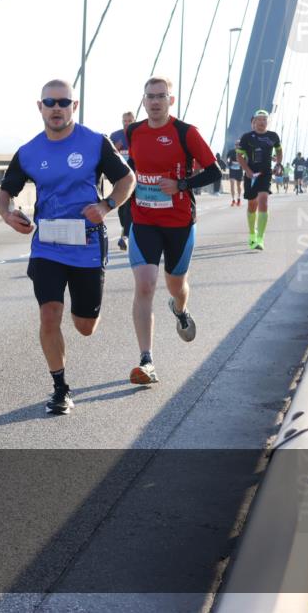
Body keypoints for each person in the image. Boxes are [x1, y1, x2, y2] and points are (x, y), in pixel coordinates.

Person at [0, 79, 134, 415]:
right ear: (40, 106)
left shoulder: (95, 143)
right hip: (47, 244)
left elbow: (126, 179)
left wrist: (105, 206)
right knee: (49, 314)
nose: (56, 108)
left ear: (74, 106)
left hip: (86, 243)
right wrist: (7, 213)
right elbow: (6, 193)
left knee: (85, 326)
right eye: (50, 102)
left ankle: (86, 313)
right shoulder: (28, 151)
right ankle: (60, 388)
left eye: (63, 102)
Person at [125, 77, 221, 385]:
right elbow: (128, 170)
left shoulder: (186, 133)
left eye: (161, 96)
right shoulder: (133, 132)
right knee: (144, 284)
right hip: (144, 221)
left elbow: (214, 171)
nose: (155, 102)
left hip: (179, 222)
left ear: (171, 100)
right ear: (143, 100)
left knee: (176, 286)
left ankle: (180, 310)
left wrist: (181, 184)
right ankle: (146, 360)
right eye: (150, 97)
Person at [237, 110, 283, 251]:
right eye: (259, 119)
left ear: (267, 121)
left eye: (264, 119)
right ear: (254, 122)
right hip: (251, 175)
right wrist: (248, 171)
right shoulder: (246, 137)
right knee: (252, 205)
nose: (262, 122)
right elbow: (239, 157)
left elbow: (279, 151)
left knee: (263, 201)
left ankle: (260, 239)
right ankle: (252, 234)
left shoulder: (273, 136)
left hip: (265, 174)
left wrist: (278, 164)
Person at [109, 112, 136, 249]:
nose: (127, 123)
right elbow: (108, 156)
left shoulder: (138, 134)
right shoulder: (115, 136)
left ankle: (125, 235)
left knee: (129, 206)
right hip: (119, 175)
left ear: (134, 121)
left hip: (134, 175)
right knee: (120, 207)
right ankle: (125, 229)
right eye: (125, 120)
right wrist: (116, 149)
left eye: (130, 120)